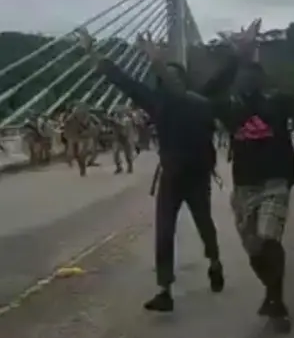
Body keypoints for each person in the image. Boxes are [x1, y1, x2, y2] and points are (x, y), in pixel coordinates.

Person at [75, 25, 255, 313]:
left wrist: (93, 51)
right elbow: (120, 79)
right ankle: (192, 273)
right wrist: (239, 50)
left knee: (174, 229)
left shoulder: (168, 101)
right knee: (192, 225)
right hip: (186, 175)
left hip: (179, 174)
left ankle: (181, 279)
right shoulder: (193, 98)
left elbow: (120, 79)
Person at [210, 43, 294, 333]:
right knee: (254, 250)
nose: (247, 82)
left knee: (269, 239)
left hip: (275, 183)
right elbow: (204, 94)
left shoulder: (278, 102)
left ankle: (276, 300)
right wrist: (236, 57)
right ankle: (271, 292)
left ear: (262, 81)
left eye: (253, 76)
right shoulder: (229, 108)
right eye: (242, 76)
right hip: (244, 188)